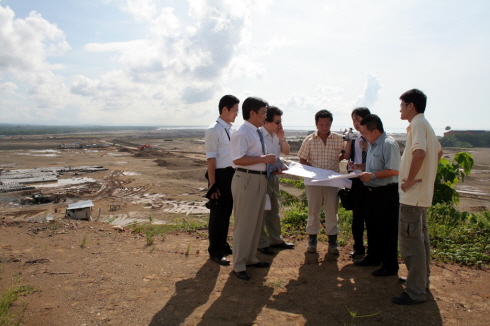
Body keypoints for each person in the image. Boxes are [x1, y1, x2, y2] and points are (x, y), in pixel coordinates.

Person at [392, 89, 443, 305]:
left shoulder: (417, 125)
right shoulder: (426, 125)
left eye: (402, 105)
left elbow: (419, 153)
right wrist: (426, 175)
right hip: (421, 195)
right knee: (421, 242)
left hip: (412, 196)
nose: (400, 109)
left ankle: (415, 291)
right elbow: (438, 153)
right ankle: (420, 281)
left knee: (412, 244)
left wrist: (411, 179)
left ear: (411, 105)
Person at [230, 97, 277, 280]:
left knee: (256, 222)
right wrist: (263, 160)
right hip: (247, 180)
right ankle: (239, 264)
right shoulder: (242, 132)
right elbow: (237, 159)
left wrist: (270, 164)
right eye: (263, 113)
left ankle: (249, 258)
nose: (265, 116)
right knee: (244, 224)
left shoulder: (255, 132)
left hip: (258, 179)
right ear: (252, 113)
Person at [353, 114, 400, 277]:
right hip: (372, 192)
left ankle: (390, 265)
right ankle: (373, 257)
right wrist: (360, 167)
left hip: (386, 192)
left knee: (387, 230)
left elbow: (394, 170)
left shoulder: (388, 144)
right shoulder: (372, 143)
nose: (363, 136)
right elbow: (374, 165)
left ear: (375, 131)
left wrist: (372, 176)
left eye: (365, 133)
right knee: (372, 227)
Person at [298, 110, 344, 255]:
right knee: (313, 211)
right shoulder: (309, 140)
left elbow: (346, 153)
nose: (324, 127)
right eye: (321, 124)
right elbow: (302, 159)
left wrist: (338, 160)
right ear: (316, 124)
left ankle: (333, 241)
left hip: (331, 181)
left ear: (331, 124)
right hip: (314, 181)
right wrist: (314, 171)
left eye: (327, 124)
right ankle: (312, 239)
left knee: (332, 211)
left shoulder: (338, 139)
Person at [204, 95, 239, 266]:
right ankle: (215, 251)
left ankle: (223, 245)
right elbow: (211, 159)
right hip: (220, 175)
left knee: (226, 212)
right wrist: (213, 184)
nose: (236, 115)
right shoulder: (214, 129)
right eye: (234, 111)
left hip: (231, 174)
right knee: (218, 214)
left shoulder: (230, 129)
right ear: (224, 109)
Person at [257, 106, 295, 256]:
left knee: (273, 210)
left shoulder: (275, 135)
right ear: (266, 121)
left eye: (280, 122)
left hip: (273, 177)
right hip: (261, 177)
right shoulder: (259, 134)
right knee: (261, 211)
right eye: (277, 122)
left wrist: (282, 138)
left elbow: (286, 151)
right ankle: (261, 243)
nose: (280, 125)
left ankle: (276, 240)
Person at [341, 107, 371, 258]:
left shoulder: (373, 138)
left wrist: (369, 147)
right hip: (356, 180)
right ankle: (359, 247)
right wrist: (347, 140)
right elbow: (346, 155)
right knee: (357, 215)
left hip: (371, 180)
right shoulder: (354, 137)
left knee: (371, 216)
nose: (356, 123)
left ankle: (373, 249)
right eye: (354, 120)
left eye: (359, 120)